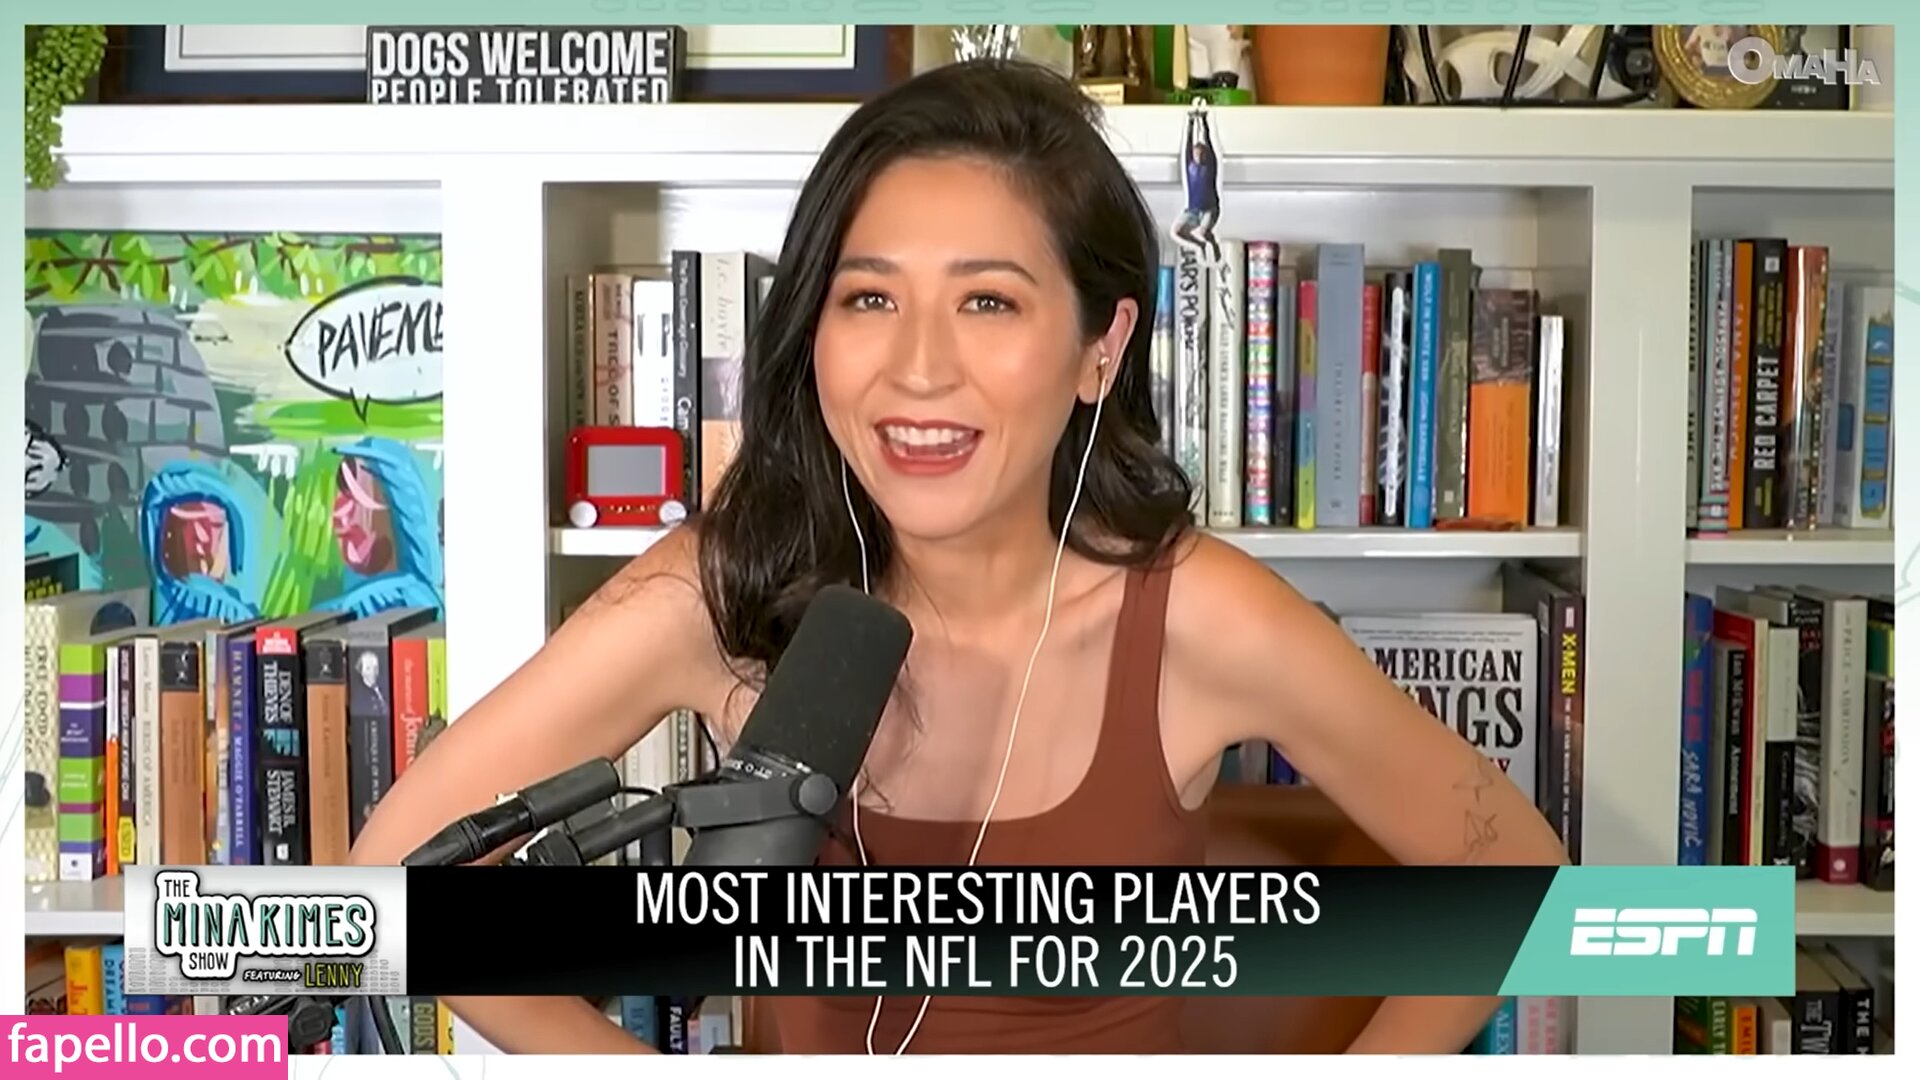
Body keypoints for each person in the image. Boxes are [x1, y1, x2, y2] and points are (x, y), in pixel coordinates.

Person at [348, 58, 1566, 1055]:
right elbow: (389, 884)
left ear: (1100, 347)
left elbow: (1511, 871)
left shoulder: (1204, 617)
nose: (919, 369)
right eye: (868, 299)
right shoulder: (721, 590)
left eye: (989, 302)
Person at [1170, 106, 1221, 264]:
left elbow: (1208, 142)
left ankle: (1213, 244)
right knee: (1177, 231)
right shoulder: (1190, 166)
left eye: (1202, 153)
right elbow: (1188, 143)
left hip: (1209, 208)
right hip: (1193, 209)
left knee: (1203, 232)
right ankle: (1200, 245)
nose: (1199, 155)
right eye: (1196, 153)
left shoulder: (1210, 166)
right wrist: (1191, 122)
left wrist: (1204, 121)